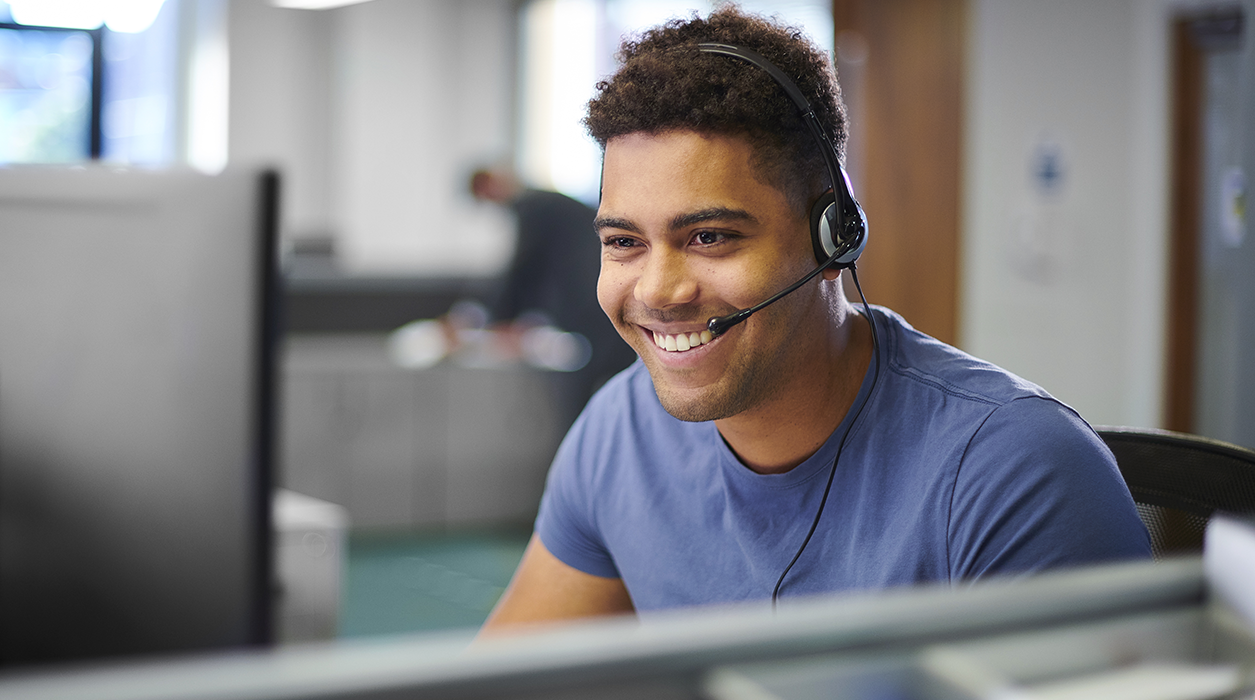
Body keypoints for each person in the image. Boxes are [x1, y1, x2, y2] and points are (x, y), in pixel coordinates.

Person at [481, 7, 1151, 631]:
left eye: (711, 237)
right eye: (625, 243)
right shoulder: (618, 435)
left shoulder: (1017, 472)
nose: (658, 290)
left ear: (835, 237)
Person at [469, 167, 637, 423]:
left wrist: (491, 317)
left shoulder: (532, 206)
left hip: (589, 307)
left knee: (581, 396)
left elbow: (521, 267)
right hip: (603, 300)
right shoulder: (547, 203)